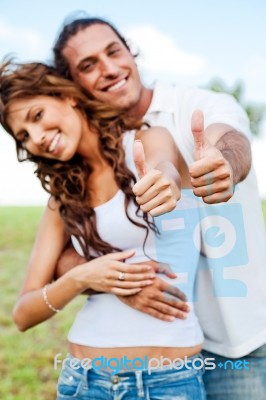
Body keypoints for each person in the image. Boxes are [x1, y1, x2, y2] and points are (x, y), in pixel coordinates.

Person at [52, 15, 266, 400]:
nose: (109, 69)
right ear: (73, 86)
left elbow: (230, 138)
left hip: (240, 342)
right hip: (167, 353)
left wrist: (224, 165)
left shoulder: (197, 106)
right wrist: (121, 283)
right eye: (88, 65)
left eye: (113, 51)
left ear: (130, 51)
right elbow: (67, 255)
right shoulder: (89, 154)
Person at [0, 59, 208, 399]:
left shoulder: (146, 141)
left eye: (37, 116)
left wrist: (164, 182)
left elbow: (164, 167)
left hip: (170, 382)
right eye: (24, 135)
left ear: (67, 96)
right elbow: (23, 314)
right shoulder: (62, 198)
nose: (36, 137)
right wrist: (84, 277)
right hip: (85, 381)